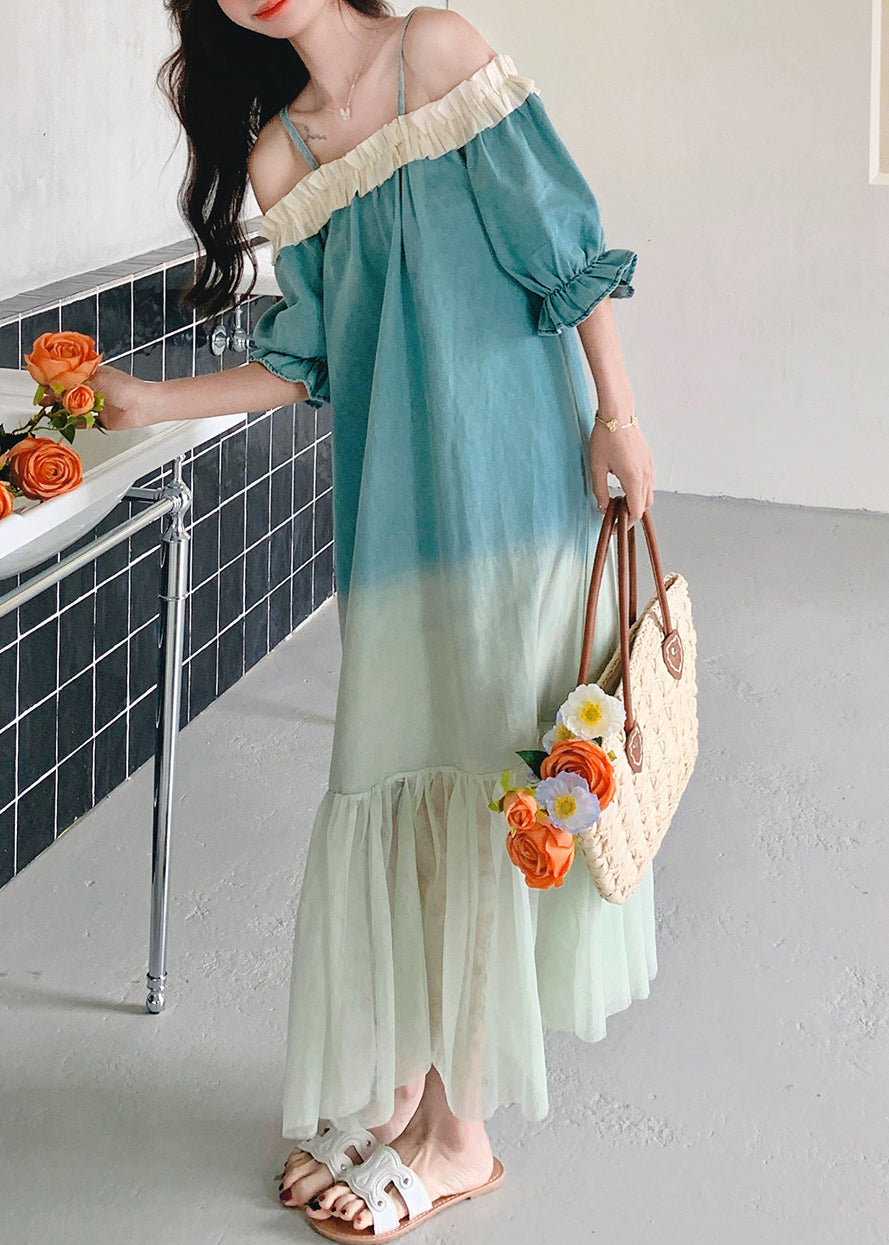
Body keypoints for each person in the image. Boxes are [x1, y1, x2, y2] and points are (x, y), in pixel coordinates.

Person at [94, 1, 658, 1238]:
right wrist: (147, 403)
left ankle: (459, 1137)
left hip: (518, 490)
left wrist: (616, 414)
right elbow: (310, 359)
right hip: (396, 516)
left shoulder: (438, 52)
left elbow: (562, 243)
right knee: (399, 775)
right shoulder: (280, 155)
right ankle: (402, 1094)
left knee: (491, 783)